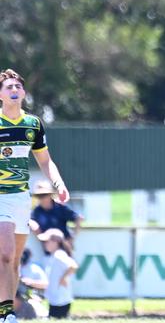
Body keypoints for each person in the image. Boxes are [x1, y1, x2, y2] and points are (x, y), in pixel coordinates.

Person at [0, 69, 70, 323]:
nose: (14, 90)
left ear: (24, 93)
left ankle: (6, 310)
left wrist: (58, 183)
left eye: (18, 86)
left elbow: (45, 161)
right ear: (0, 94)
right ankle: (6, 312)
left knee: (15, 260)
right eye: (8, 87)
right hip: (0, 197)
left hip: (21, 198)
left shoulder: (33, 124)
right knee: (5, 254)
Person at [30, 180, 83, 254]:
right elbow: (29, 221)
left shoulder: (60, 208)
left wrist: (72, 239)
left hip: (64, 249)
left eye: (44, 195)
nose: (41, 198)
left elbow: (78, 218)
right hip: (48, 251)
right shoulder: (36, 211)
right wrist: (33, 225)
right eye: (39, 196)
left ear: (50, 195)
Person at [37, 229, 77, 319]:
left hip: (60, 300)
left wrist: (63, 278)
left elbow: (73, 266)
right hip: (56, 300)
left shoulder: (59, 254)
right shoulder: (54, 255)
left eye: (47, 241)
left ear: (56, 242)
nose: (45, 244)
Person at [14, 249, 48, 320]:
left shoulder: (34, 268)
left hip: (32, 296)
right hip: (16, 297)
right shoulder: (14, 267)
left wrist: (31, 282)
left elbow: (45, 284)